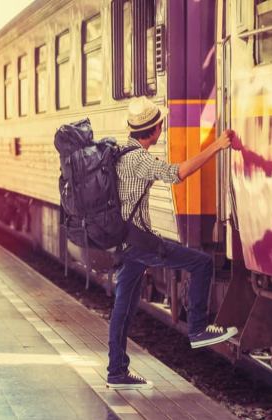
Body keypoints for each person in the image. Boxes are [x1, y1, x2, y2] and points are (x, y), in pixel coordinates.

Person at [106, 97, 238, 390]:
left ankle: (117, 370)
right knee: (201, 263)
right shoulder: (137, 159)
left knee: (123, 305)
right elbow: (177, 173)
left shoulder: (121, 151)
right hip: (139, 243)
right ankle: (198, 329)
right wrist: (216, 146)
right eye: (160, 125)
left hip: (128, 243)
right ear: (155, 130)